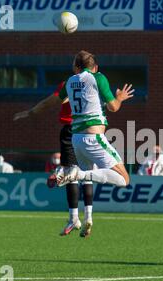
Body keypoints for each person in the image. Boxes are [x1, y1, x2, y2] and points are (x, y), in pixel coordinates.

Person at [48, 50, 134, 238]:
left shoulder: (70, 81)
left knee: (89, 177)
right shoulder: (98, 78)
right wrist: (119, 98)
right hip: (93, 138)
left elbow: (61, 99)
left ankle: (86, 218)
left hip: (76, 138)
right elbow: (113, 107)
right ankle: (74, 174)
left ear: (75, 66)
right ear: (94, 67)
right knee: (124, 179)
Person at [13, 82, 94, 237]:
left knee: (71, 175)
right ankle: (89, 217)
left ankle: (74, 218)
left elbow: (52, 101)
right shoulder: (96, 83)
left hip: (71, 129)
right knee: (87, 175)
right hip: (91, 131)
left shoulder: (70, 83)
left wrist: (30, 112)